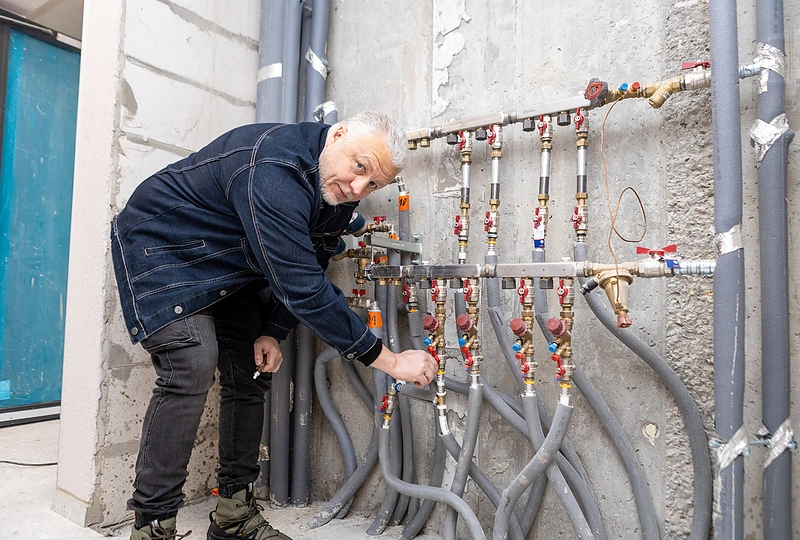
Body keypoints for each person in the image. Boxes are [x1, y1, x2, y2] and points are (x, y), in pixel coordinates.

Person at [111, 112, 437, 540]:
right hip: (164, 249)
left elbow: (314, 254)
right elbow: (301, 284)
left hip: (233, 265)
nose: (359, 188)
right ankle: (153, 526)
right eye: (360, 168)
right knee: (192, 361)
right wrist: (389, 360)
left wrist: (273, 329)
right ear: (337, 135)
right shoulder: (274, 169)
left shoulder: (335, 186)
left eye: (374, 184)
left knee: (250, 370)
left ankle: (233, 515)